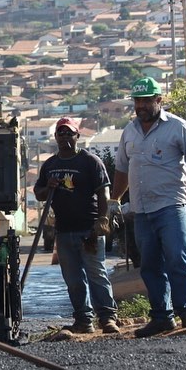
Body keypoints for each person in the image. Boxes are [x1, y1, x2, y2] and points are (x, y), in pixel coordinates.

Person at [109, 77, 186, 338]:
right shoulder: (129, 132)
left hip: (170, 204)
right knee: (150, 264)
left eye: (146, 100)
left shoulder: (177, 127)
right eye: (137, 101)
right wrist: (114, 200)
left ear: (158, 100)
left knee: (178, 256)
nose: (141, 105)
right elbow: (122, 168)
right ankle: (161, 317)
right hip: (142, 210)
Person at [33, 117, 119, 334]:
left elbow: (103, 192)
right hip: (63, 231)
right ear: (55, 137)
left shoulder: (90, 162)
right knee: (73, 279)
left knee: (96, 274)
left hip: (88, 229)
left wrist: (102, 219)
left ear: (77, 136)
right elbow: (39, 193)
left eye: (69, 133)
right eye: (60, 133)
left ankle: (107, 318)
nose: (64, 137)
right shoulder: (51, 165)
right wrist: (48, 187)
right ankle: (83, 320)